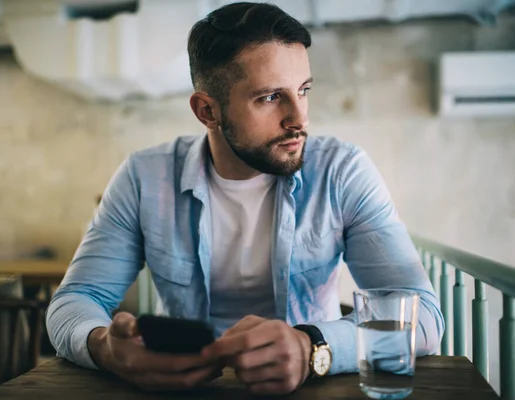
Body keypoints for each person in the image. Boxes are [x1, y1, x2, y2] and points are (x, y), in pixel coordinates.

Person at [46, 2, 444, 395]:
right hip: (186, 389)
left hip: (311, 389)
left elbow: (422, 315)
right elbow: (76, 300)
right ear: (207, 111)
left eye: (303, 90)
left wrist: (312, 348)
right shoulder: (143, 178)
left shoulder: (342, 172)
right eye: (271, 97)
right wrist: (105, 347)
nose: (298, 118)